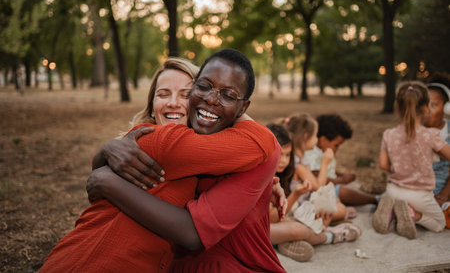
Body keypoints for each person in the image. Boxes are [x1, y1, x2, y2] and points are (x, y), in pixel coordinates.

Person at [41, 49, 285, 272]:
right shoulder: (150, 141)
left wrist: (267, 182)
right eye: (163, 94)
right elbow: (264, 142)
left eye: (185, 93)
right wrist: (104, 161)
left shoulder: (209, 152)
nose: (173, 103)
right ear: (152, 103)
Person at [267, 123, 362, 263]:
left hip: (276, 222)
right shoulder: (263, 179)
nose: (285, 161)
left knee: (303, 222)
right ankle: (328, 236)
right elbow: (271, 218)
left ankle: (286, 242)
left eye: (288, 155)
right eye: (280, 155)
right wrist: (296, 195)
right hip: (259, 231)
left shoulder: (282, 174)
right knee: (299, 230)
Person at [373, 81, 450, 239]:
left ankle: (392, 213)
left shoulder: (388, 134)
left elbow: (383, 164)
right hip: (419, 195)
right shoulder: (431, 135)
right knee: (439, 223)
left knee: (393, 196)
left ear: (396, 108)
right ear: (426, 108)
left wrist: (400, 168)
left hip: (393, 190)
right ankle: (414, 215)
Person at [303, 114, 379, 208]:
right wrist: (341, 180)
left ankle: (361, 199)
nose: (337, 149)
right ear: (323, 140)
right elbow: (315, 175)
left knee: (356, 186)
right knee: (343, 191)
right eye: (336, 145)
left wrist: (342, 175)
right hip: (317, 189)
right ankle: (375, 199)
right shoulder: (312, 153)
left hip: (331, 184)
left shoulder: (325, 150)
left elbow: (329, 170)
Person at [424, 73, 450, 229]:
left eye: (434, 105)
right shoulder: (415, 130)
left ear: (446, 108)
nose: (427, 110)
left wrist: (443, 196)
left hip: (443, 191)